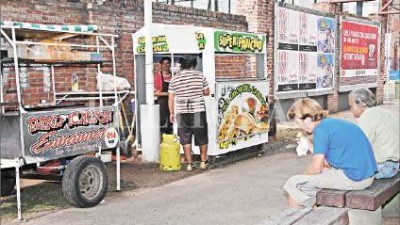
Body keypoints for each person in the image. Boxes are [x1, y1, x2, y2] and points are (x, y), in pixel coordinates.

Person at [283, 98, 377, 207]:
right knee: (309, 183)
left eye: (299, 123)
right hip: (366, 176)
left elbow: (317, 168)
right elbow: (327, 162)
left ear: (308, 119)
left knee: (293, 183)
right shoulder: (332, 123)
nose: (300, 127)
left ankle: (300, 218)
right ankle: (312, 212)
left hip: (354, 179)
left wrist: (304, 177)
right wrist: (309, 145)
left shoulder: (320, 130)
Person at [168, 55, 210, 171]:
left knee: (185, 137)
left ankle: (190, 164)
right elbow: (207, 92)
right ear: (194, 64)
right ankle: (203, 161)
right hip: (197, 111)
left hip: (181, 112)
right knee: (201, 136)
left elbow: (171, 98)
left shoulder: (175, 79)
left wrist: (171, 113)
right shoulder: (200, 75)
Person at [349, 88, 400, 179]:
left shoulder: (367, 116)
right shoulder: (386, 112)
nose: (350, 109)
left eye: (351, 106)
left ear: (362, 104)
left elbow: (360, 146)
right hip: (394, 165)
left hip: (382, 167)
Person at [154, 57, 173, 134]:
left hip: (172, 103)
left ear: (170, 64)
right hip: (162, 103)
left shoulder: (173, 76)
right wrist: (169, 94)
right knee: (162, 123)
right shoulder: (157, 77)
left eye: (167, 63)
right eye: (163, 63)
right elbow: (155, 93)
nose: (165, 65)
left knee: (171, 122)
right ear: (161, 65)